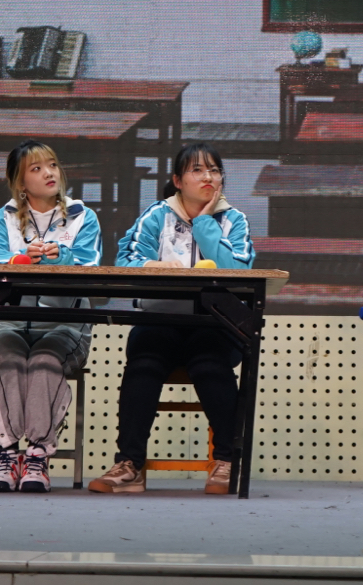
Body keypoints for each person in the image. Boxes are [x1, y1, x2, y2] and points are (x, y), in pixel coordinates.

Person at [90, 142, 254, 495]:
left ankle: (226, 461)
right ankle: (129, 464)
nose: (208, 177)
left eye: (214, 170)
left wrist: (205, 223)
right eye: (197, 170)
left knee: (209, 364)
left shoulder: (234, 220)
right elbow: (126, 262)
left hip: (215, 326)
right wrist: (154, 265)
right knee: (143, 364)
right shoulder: (156, 216)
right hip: (160, 321)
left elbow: (236, 272)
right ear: (178, 181)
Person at [0, 140, 102, 493]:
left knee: (44, 360)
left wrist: (63, 257)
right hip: (8, 322)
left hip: (65, 324)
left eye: (52, 165)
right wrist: (18, 260)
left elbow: (91, 265)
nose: (49, 173)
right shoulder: (4, 217)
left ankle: (37, 456)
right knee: (8, 357)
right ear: (20, 182)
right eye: (36, 168)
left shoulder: (82, 216)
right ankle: (7, 453)